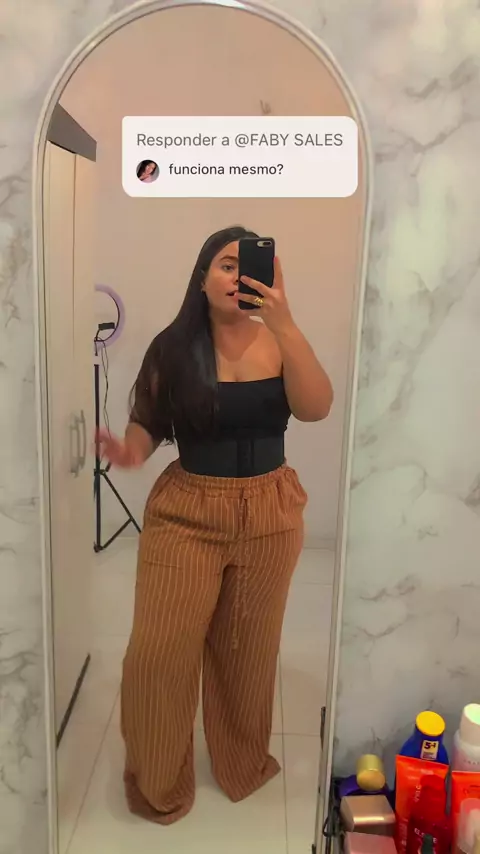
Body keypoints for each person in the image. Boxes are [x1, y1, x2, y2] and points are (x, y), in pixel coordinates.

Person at [97, 225, 333, 825]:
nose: (237, 275)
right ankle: (156, 781)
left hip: (270, 511)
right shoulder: (173, 347)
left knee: (246, 650)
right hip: (188, 510)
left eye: (248, 265)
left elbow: (316, 407)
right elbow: (148, 419)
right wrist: (130, 450)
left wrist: (285, 322)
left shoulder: (279, 340)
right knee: (158, 653)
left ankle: (241, 761)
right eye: (226, 264)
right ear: (202, 277)